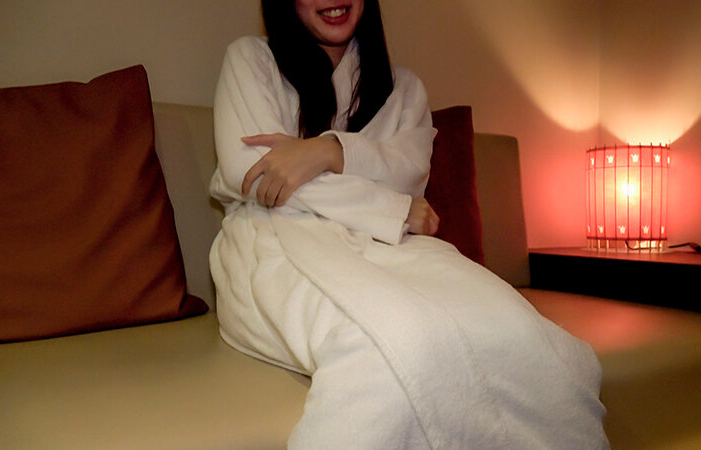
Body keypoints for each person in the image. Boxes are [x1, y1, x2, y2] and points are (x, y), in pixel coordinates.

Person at [209, 1, 609, 448]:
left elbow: (409, 174)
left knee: (535, 342)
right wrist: (391, 208)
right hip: (271, 244)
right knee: (388, 349)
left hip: (388, 246)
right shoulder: (252, 59)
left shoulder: (404, 89)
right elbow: (256, 176)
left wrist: (327, 152)